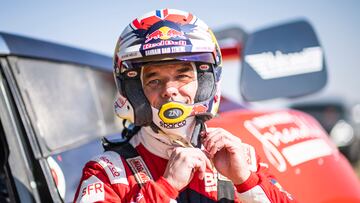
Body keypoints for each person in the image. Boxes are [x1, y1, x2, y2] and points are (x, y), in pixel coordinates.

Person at [74, 8, 296, 203]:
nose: (170, 89)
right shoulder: (106, 172)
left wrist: (246, 180)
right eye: (154, 80)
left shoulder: (242, 157)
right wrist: (166, 187)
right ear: (135, 91)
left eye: (182, 77)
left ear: (205, 84)